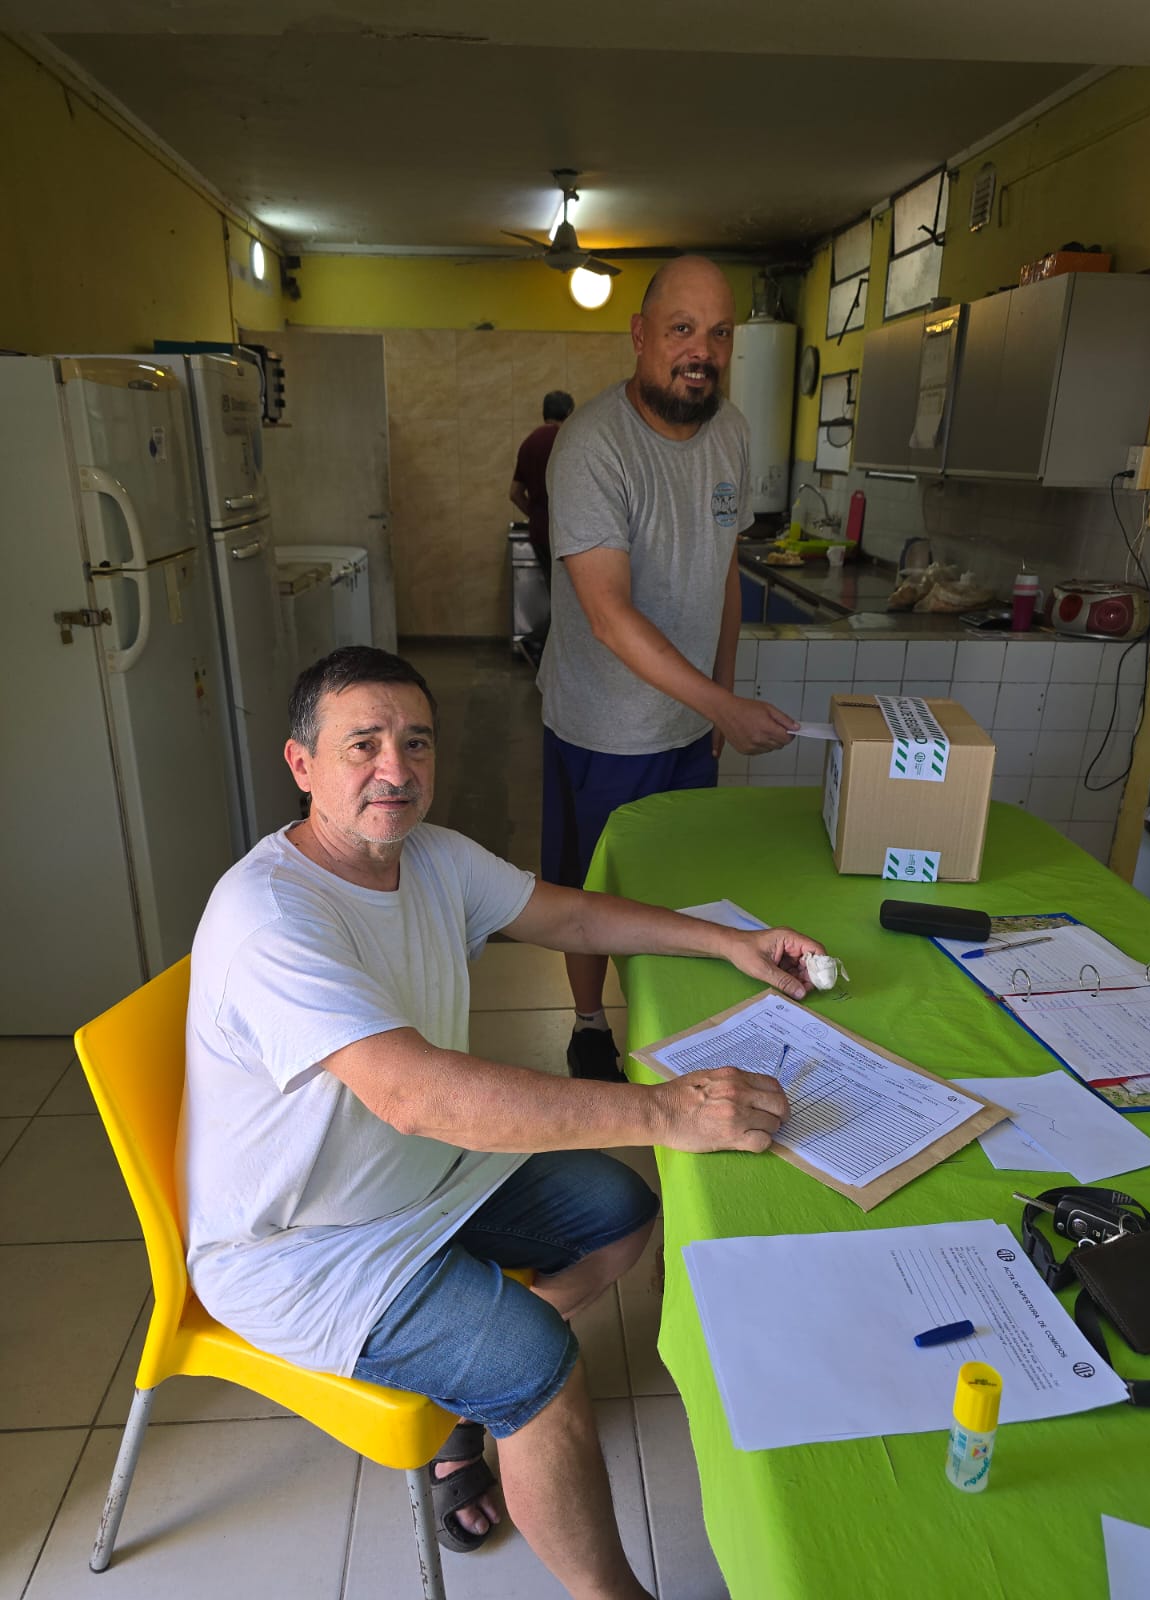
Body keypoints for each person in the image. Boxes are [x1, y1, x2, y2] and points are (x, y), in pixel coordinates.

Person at [180, 645, 825, 1600]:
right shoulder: (271, 917)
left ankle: (465, 1400)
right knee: (539, 1366)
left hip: (424, 1176)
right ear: (302, 764)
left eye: (416, 742)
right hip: (306, 1247)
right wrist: (663, 1109)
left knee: (623, 1213)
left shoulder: (430, 857)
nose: (396, 769)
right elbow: (417, 1097)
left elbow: (572, 920)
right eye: (363, 745)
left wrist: (729, 942)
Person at [537, 256, 801, 1083]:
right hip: (603, 727)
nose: (702, 351)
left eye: (718, 334)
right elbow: (608, 615)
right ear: (640, 335)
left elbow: (725, 573)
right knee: (591, 894)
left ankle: (677, 1024)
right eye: (682, 329)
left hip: (689, 726)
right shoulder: (593, 445)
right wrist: (721, 706)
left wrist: (718, 698)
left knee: (680, 885)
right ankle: (589, 1024)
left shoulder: (732, 432)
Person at [509, 390, 575, 666]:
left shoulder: (529, 443)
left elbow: (515, 493)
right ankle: (537, 642)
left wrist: (536, 515)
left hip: (539, 532)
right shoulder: (569, 441)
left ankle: (545, 649)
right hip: (565, 535)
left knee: (559, 595)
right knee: (570, 598)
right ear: (569, 413)